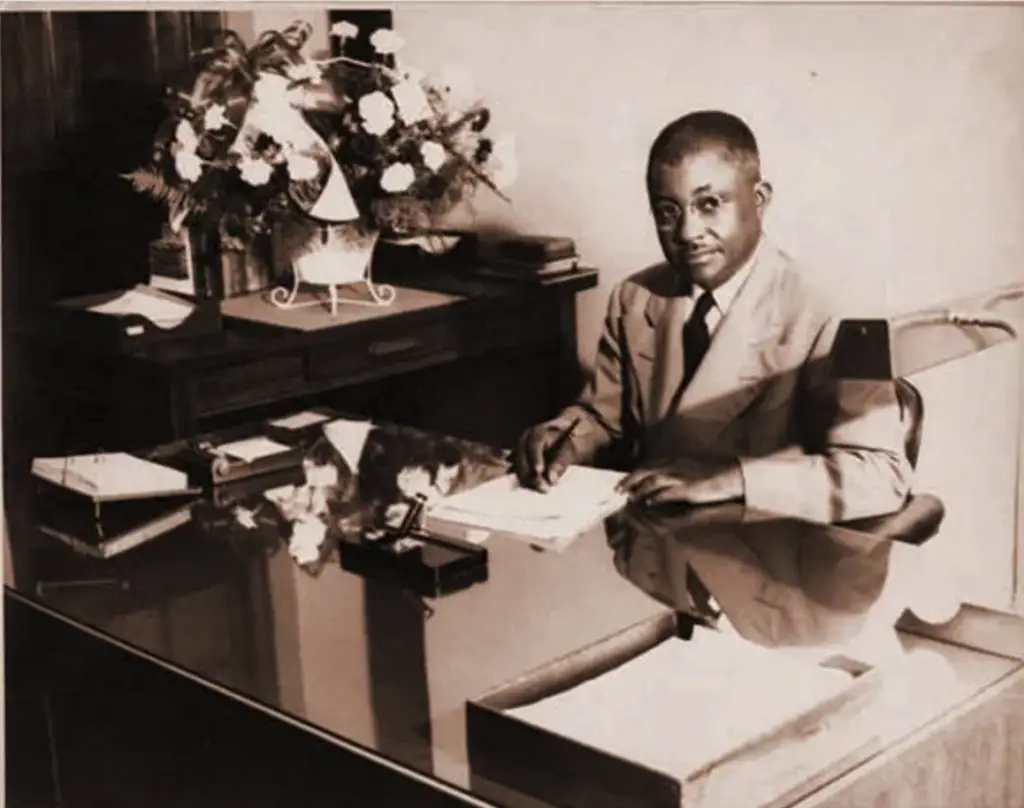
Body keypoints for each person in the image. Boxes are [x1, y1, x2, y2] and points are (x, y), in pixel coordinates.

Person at [512, 110, 912, 525]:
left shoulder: (835, 311)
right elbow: (604, 418)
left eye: (709, 205)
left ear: (759, 200)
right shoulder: (635, 299)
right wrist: (566, 437)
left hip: (771, 561)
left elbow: (880, 475)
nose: (687, 233)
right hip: (655, 559)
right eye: (667, 211)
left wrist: (733, 479)